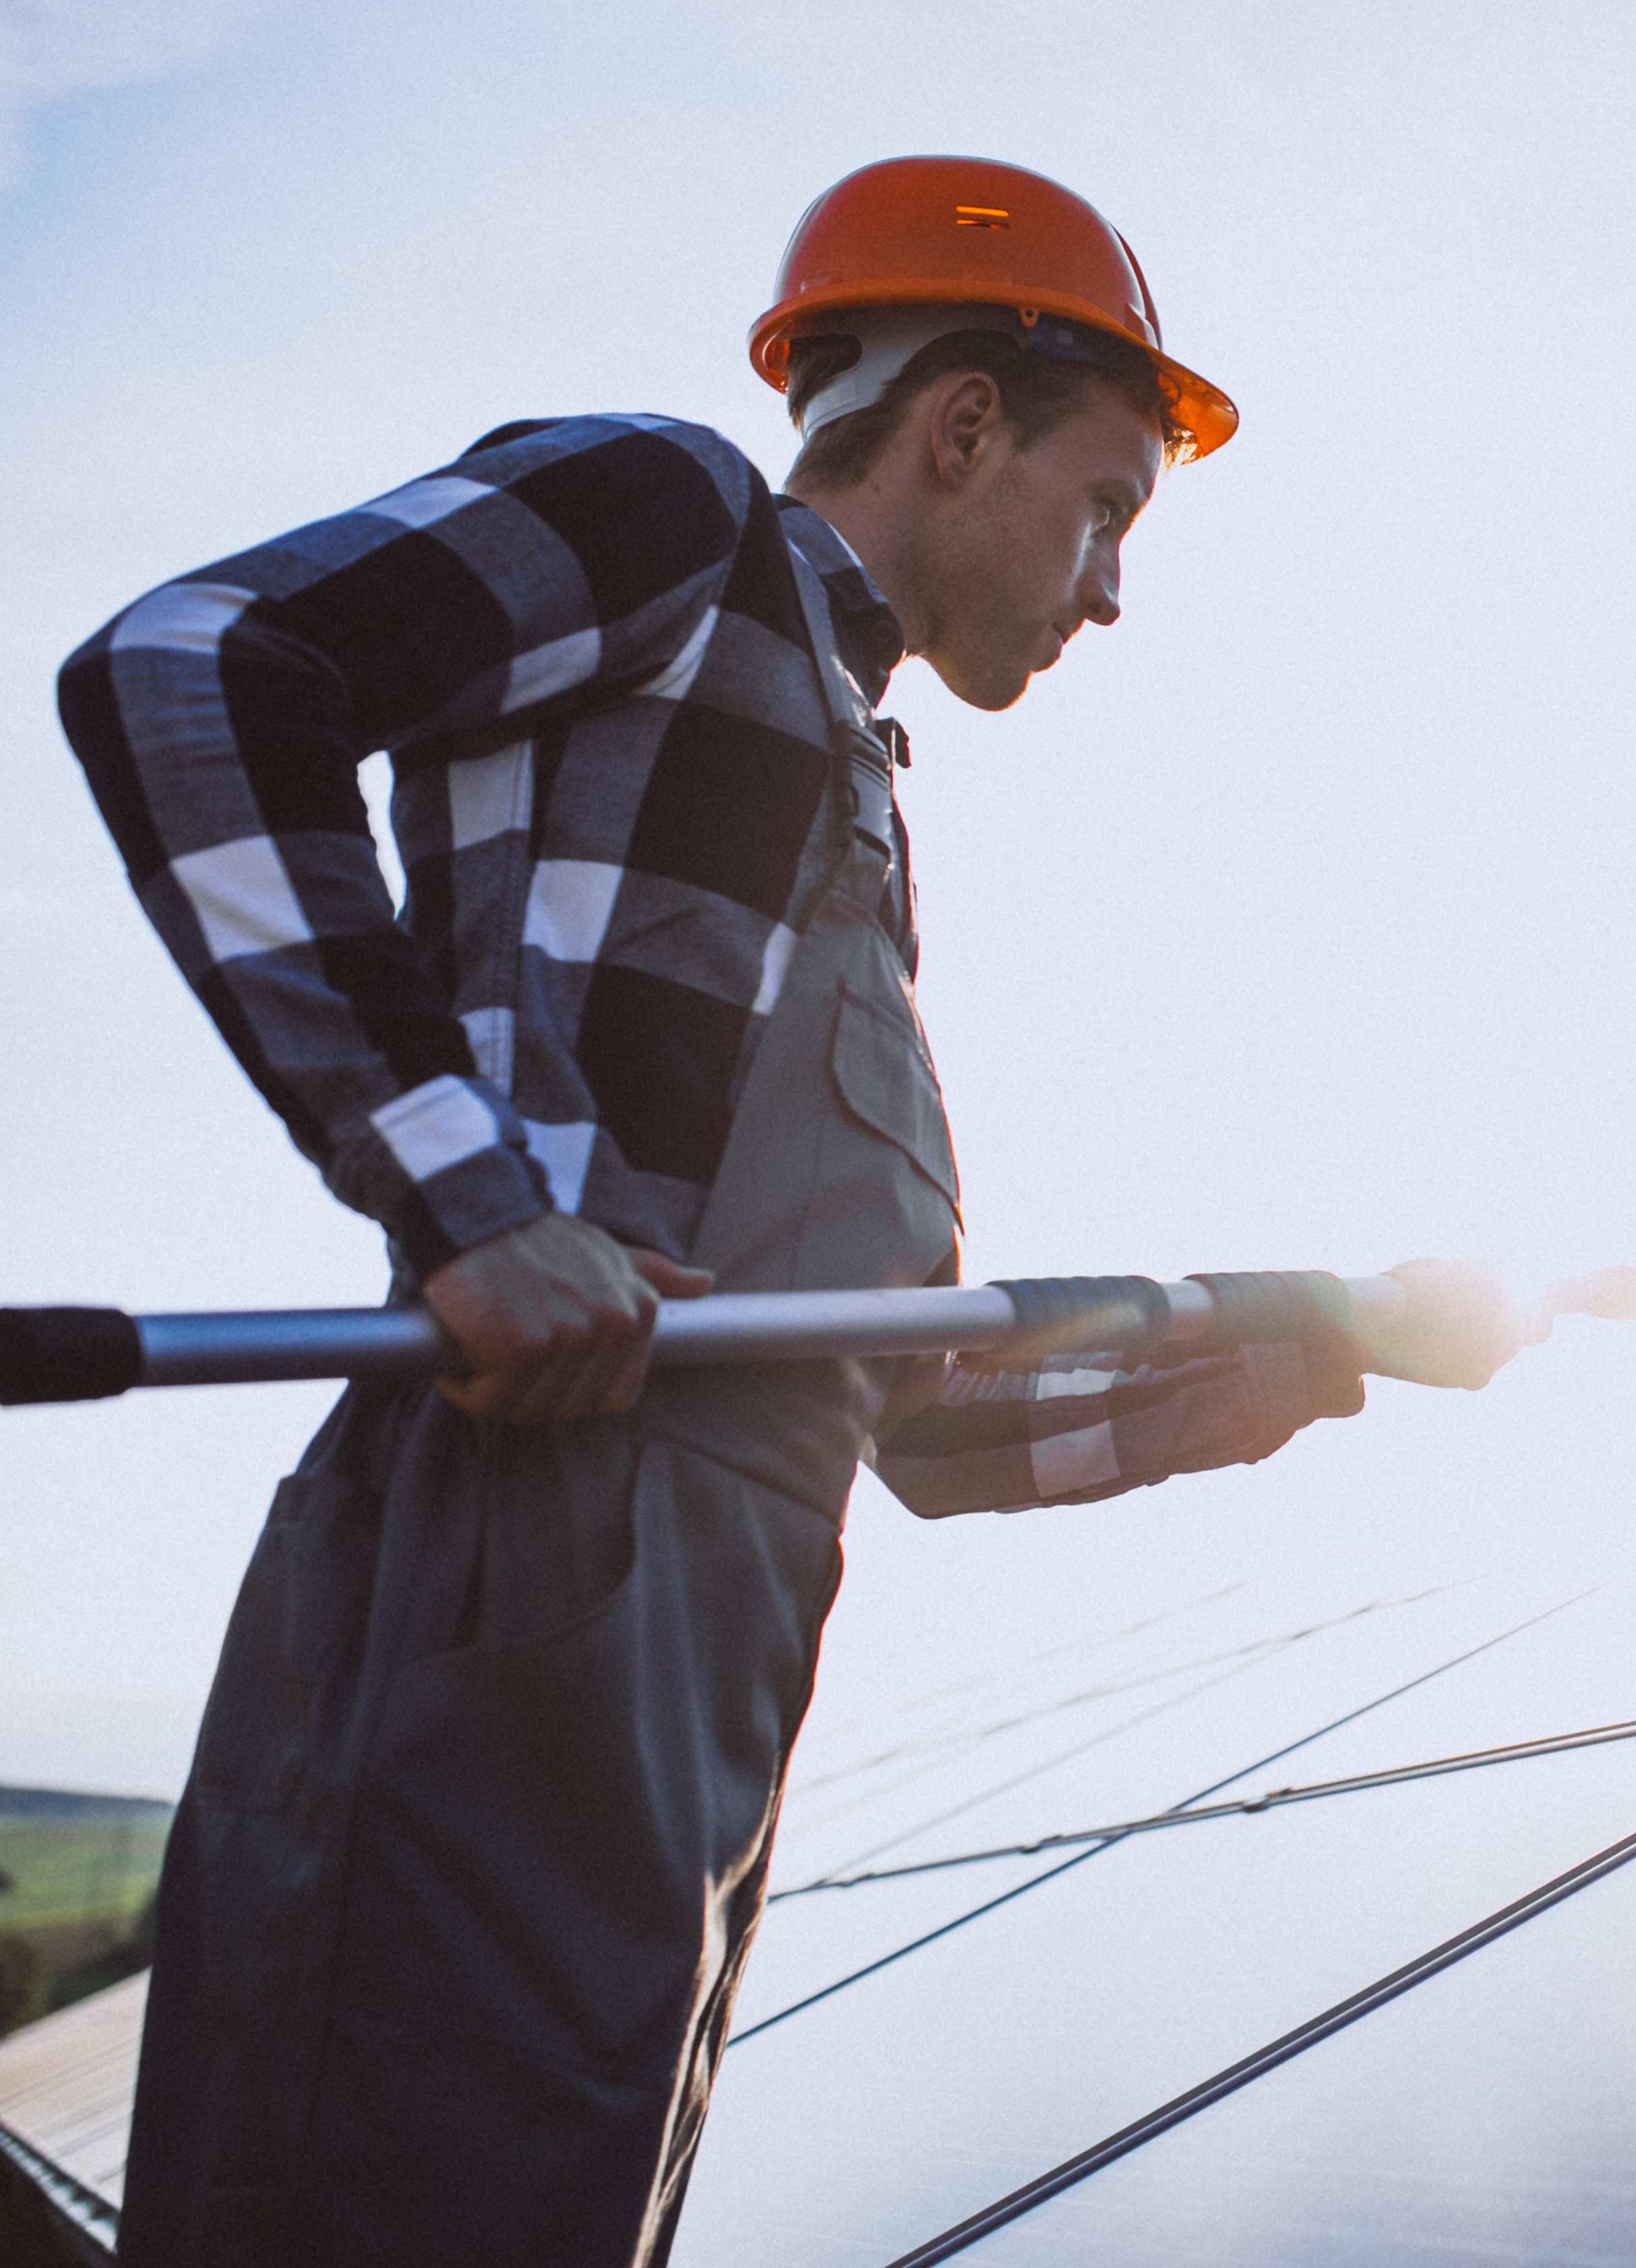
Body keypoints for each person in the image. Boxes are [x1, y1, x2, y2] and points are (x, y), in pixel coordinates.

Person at [54, 155, 1531, 2266]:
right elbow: (190, 670)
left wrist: (1328, 1344)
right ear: (959, 427)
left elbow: (896, 1417)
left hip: (702, 1688)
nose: (1111, 586)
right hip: (516, 1581)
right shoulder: (672, 518)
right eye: (1107, 507)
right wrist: (462, 1198)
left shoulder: (845, 785)